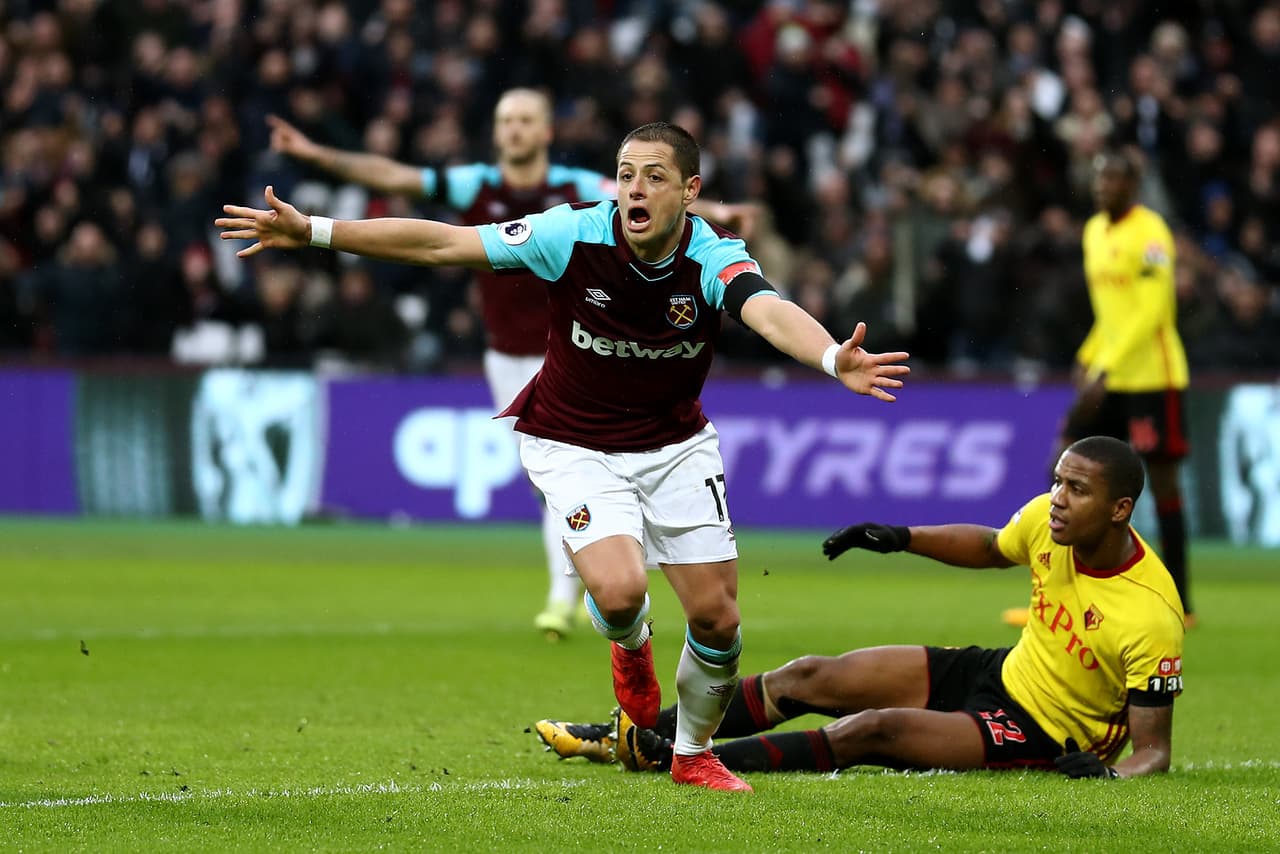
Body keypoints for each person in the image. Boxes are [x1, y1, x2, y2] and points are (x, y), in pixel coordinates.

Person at [216, 121, 911, 792]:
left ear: (689, 190)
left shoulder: (711, 253)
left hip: (674, 448)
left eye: (654, 178)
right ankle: (628, 642)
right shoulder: (571, 232)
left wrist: (828, 355)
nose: (634, 189)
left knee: (718, 621)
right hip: (572, 441)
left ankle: (692, 755)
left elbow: (764, 308)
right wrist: (314, 231)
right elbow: (443, 245)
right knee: (618, 591)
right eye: (626, 175)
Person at [268, 89, 757, 639]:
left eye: (526, 121)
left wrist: (717, 215)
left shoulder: (580, 191)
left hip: (576, 355)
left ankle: (567, 595)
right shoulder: (477, 183)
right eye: (506, 122)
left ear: (547, 131)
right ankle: (598, 589)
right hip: (511, 356)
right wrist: (317, 160)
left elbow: (658, 201)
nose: (515, 131)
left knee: (578, 482)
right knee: (559, 486)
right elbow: (401, 184)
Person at [536, 436, 1184, 781]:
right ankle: (628, 729)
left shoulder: (1150, 613)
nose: (1058, 498)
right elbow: (991, 547)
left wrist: (1112, 777)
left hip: (1045, 731)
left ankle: (679, 756)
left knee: (873, 729)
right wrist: (900, 537)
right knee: (813, 676)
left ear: (1120, 509)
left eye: (1077, 488)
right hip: (1002, 672)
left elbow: (1152, 749)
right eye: (1057, 482)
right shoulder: (1049, 522)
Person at [1008, 149, 1192, 629]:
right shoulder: (1094, 231)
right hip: (1109, 373)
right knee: (1065, 462)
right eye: (1098, 177)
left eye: (1113, 178)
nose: (1103, 185)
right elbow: (1111, 313)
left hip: (1153, 374)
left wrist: (1103, 366)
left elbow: (1151, 312)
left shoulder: (1151, 233)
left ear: (1134, 184)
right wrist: (1088, 356)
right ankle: (1049, 594)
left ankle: (1180, 600)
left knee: (1164, 482)